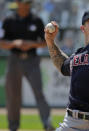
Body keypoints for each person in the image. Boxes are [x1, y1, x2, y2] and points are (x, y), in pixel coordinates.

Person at [0, 0, 54, 131]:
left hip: (32, 60)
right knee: (13, 95)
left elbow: (45, 42)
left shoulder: (36, 20)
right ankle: (13, 127)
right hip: (14, 60)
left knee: (39, 92)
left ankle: (47, 124)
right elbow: (1, 43)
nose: (27, 5)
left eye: (29, 3)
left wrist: (31, 44)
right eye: (25, 2)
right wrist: (15, 43)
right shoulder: (8, 20)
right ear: (18, 3)